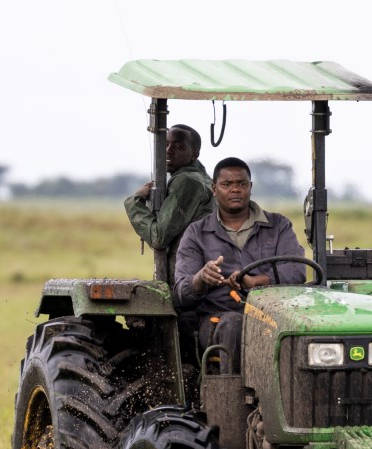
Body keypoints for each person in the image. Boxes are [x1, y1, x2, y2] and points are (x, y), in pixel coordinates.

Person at [174, 157, 306, 373]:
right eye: (227, 184)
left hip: (274, 316)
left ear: (250, 187)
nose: (235, 189)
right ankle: (232, 391)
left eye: (241, 183)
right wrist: (201, 278)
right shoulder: (197, 233)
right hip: (217, 319)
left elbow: (297, 270)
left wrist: (257, 282)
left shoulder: (278, 226)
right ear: (214, 189)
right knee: (233, 324)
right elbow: (181, 293)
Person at [124, 124, 213, 283]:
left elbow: (159, 238)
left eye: (178, 147)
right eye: (165, 144)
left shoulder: (187, 182)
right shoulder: (203, 179)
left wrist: (135, 202)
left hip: (189, 279)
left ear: (194, 154)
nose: (168, 151)